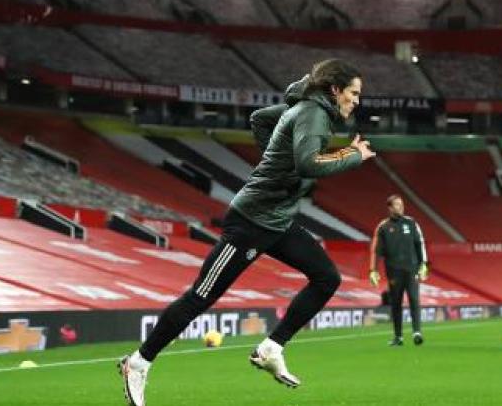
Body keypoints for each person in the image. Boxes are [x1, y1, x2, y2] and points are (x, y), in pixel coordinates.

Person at [119, 60, 374, 406]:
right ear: (335, 89)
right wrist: (352, 155)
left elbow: (260, 119)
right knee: (200, 296)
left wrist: (276, 162)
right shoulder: (313, 113)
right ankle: (138, 363)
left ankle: (271, 348)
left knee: (326, 277)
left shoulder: (305, 108)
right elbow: (308, 164)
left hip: (277, 221)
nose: (356, 101)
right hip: (251, 222)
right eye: (353, 93)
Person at [369, 194, 428, 346]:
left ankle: (417, 332)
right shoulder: (383, 227)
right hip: (394, 271)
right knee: (396, 303)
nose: (401, 207)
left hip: (411, 269)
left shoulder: (411, 223)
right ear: (389, 207)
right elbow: (376, 251)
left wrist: (423, 264)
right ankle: (398, 337)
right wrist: (373, 270)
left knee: (414, 299)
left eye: (401, 204)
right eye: (397, 204)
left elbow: (420, 243)